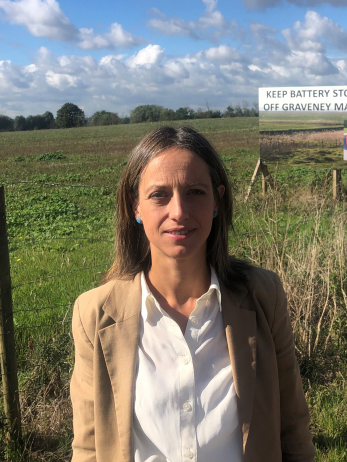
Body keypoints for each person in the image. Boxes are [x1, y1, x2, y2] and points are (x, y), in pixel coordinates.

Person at [70, 126, 315, 462]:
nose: (179, 211)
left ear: (217, 201)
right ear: (135, 207)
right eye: (159, 195)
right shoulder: (95, 314)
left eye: (195, 192)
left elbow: (293, 429)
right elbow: (89, 447)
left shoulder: (262, 296)